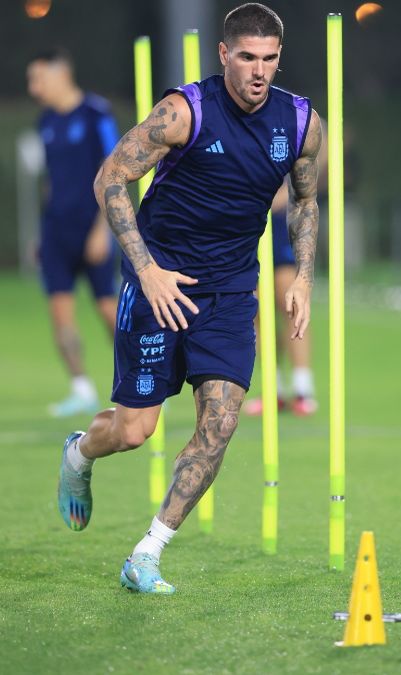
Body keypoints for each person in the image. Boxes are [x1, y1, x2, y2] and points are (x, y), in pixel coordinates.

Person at [55, 2, 322, 594]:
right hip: (161, 282)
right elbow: (111, 178)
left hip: (229, 291)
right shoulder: (183, 112)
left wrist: (302, 275)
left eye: (270, 60)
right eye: (247, 58)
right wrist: (145, 269)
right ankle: (79, 454)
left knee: (221, 422)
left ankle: (147, 553)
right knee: (133, 432)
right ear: (224, 55)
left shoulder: (301, 123)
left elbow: (304, 199)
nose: (259, 72)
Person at [27, 48, 120, 417]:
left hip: (91, 228)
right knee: (60, 314)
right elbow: (50, 182)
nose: (34, 88)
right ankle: (81, 389)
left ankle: (139, 377)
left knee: (109, 310)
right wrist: (42, 231)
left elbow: (114, 170)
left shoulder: (96, 114)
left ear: (61, 73)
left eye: (38, 78)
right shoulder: (45, 121)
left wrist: (104, 228)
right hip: (56, 233)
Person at [243, 183, 318, 417]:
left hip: (279, 230)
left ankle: (302, 389)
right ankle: (272, 389)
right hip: (248, 233)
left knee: (293, 310)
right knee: (256, 315)